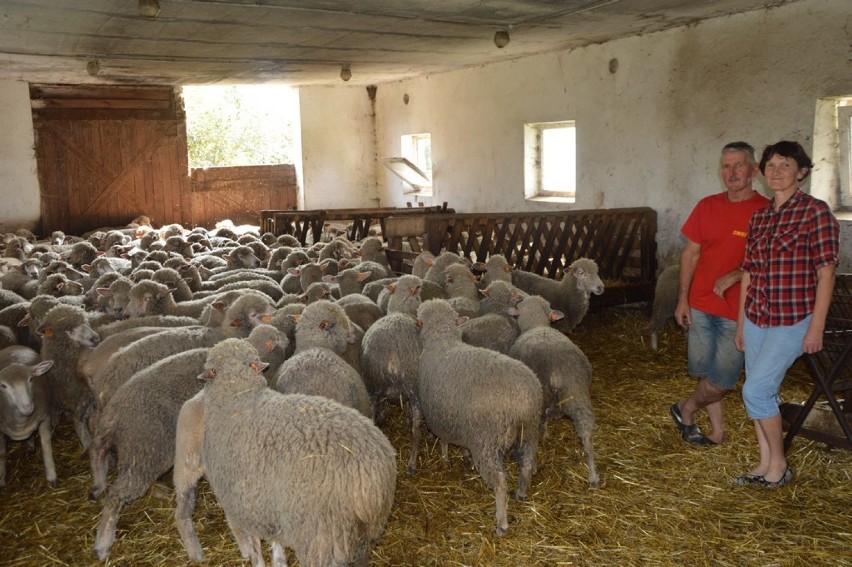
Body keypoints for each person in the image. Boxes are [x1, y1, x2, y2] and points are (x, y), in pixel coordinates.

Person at [734, 140, 840, 489]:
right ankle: (764, 463)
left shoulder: (815, 212)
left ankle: (779, 464)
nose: (776, 172)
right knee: (762, 392)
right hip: (757, 315)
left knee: (756, 390)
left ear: (802, 171)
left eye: (785, 165)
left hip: (794, 318)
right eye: (771, 165)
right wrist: (741, 323)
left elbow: (826, 272)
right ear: (762, 172)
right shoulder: (760, 216)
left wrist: (816, 327)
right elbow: (748, 272)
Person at [669, 142, 769, 446]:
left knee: (723, 379)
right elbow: (691, 255)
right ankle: (717, 430)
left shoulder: (765, 211)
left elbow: (771, 260)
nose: (732, 172)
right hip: (699, 305)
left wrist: (738, 273)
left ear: (753, 170)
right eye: (726, 166)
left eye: (739, 165)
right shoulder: (707, 206)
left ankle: (685, 408)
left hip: (738, 311)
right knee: (705, 372)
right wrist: (682, 300)